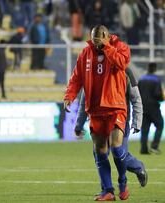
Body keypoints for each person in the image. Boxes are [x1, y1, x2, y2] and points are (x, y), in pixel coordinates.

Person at [64, 25, 130, 201]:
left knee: (116, 147)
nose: (96, 44)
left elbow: (122, 63)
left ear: (107, 37)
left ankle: (123, 181)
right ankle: (108, 191)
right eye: (93, 40)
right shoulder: (86, 53)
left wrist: (107, 47)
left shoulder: (120, 47)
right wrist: (69, 95)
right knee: (100, 150)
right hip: (95, 109)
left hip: (115, 106)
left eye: (99, 40)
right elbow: (76, 77)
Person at [75, 68, 148, 190]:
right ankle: (106, 189)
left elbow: (136, 99)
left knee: (119, 152)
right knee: (99, 153)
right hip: (98, 120)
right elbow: (84, 101)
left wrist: (137, 122)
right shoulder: (91, 70)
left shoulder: (126, 71)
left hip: (120, 120)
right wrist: (79, 124)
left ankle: (138, 168)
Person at [138, 62, 164, 155]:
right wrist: (161, 98)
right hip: (153, 107)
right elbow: (158, 94)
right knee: (160, 125)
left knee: (145, 129)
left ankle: (143, 149)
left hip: (143, 107)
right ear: (155, 69)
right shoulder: (156, 80)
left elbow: (138, 93)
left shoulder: (141, 79)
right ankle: (154, 146)